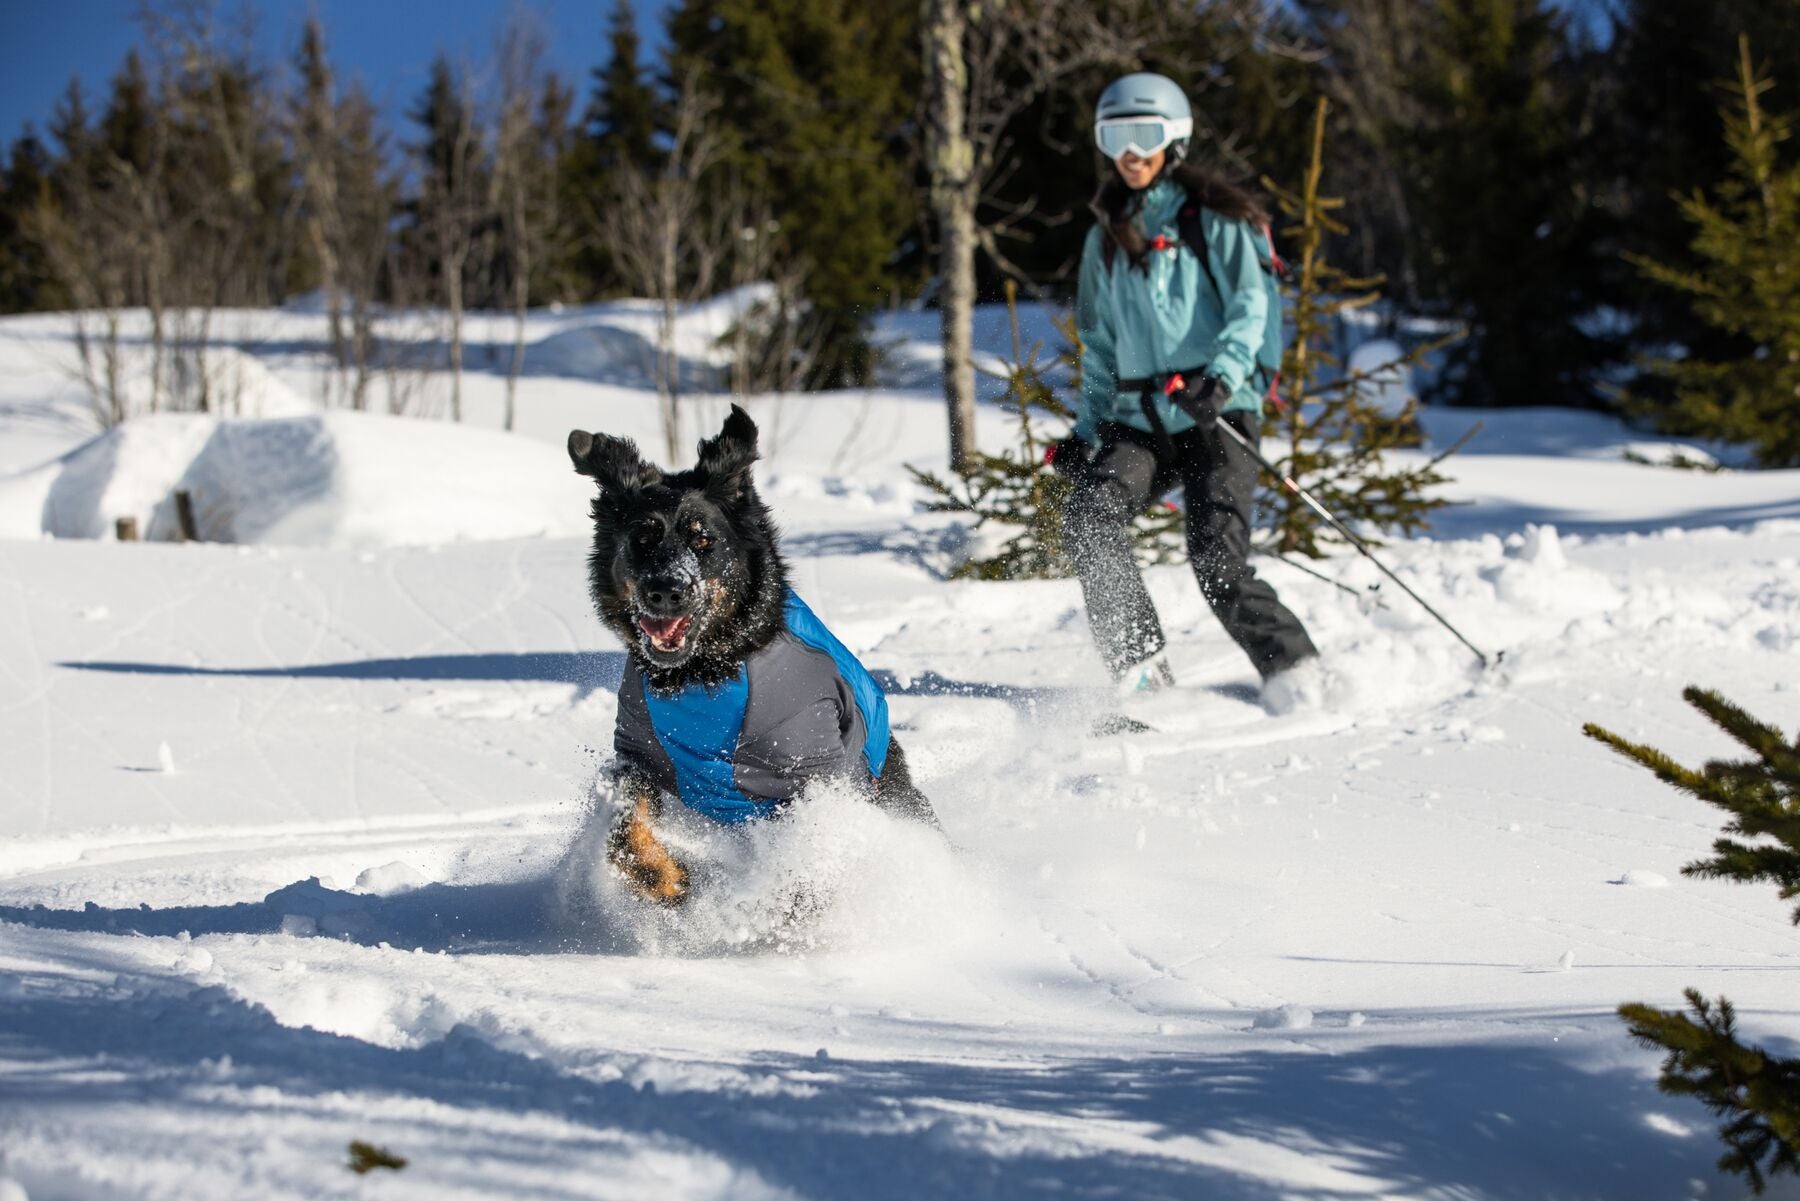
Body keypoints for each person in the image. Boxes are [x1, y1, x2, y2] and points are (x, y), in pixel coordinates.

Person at [1056, 72, 1318, 699]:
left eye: (1144, 134)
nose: (1130, 152)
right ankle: (1141, 668)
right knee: (1090, 515)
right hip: (1139, 418)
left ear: (1173, 140)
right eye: (1115, 135)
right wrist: (1086, 432)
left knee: (1218, 563)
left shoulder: (1215, 221)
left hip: (1212, 412)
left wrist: (1222, 380)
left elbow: (1249, 309)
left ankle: (1298, 672)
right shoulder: (1105, 237)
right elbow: (1099, 343)